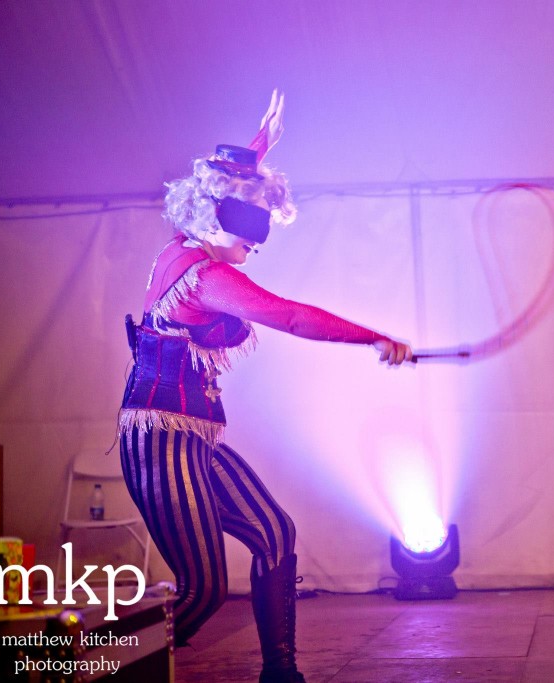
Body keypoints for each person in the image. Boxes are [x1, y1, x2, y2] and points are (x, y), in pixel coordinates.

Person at [118, 91, 411, 683]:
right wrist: (373, 337)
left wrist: (261, 143)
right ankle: (73, 665)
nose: (257, 244)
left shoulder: (187, 247)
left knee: (275, 533)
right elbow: (294, 317)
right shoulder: (206, 278)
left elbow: (219, 185)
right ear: (222, 222)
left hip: (193, 440)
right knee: (201, 593)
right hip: (158, 441)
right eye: (251, 232)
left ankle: (282, 675)